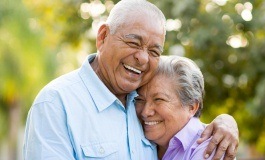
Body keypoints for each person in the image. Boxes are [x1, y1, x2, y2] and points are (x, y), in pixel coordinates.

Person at [23, 0, 238, 159]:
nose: (142, 58)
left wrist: (226, 122)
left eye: (154, 51)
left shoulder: (144, 102)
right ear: (103, 37)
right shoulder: (56, 104)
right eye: (134, 43)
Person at [135, 55, 226, 160]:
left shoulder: (209, 148)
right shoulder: (141, 139)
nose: (145, 112)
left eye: (159, 99)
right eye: (139, 100)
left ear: (192, 107)